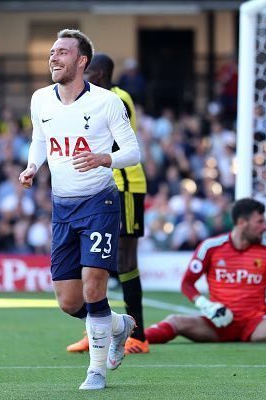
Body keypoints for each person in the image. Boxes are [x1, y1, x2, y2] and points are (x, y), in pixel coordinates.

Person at [18, 29, 140, 390]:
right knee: (69, 301)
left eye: (61, 53)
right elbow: (40, 139)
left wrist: (106, 158)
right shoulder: (40, 99)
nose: (53, 58)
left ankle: (96, 370)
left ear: (81, 61)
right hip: (62, 207)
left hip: (100, 202)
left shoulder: (106, 102)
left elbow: (134, 152)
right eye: (52, 52)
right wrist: (32, 166)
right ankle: (119, 326)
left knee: (93, 288)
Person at [144, 198, 266, 345]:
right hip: (218, 322)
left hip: (256, 324)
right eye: (259, 222)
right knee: (175, 321)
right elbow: (187, 283)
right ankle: (135, 339)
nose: (265, 226)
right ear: (242, 223)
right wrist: (206, 305)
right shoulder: (211, 247)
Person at [66, 53, 149, 355]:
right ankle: (97, 331)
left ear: (99, 73)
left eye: (88, 72)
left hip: (125, 185)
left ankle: (138, 334)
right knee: (93, 261)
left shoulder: (118, 99)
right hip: (99, 185)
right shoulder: (92, 99)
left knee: (126, 261)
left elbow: (116, 142)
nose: (84, 77)